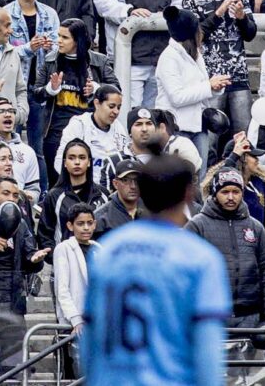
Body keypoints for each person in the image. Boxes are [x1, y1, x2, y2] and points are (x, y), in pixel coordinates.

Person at [82, 155, 228, 386]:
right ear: (188, 195)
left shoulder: (109, 250)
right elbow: (206, 348)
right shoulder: (198, 257)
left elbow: (90, 338)